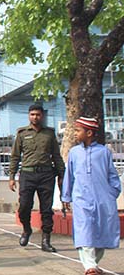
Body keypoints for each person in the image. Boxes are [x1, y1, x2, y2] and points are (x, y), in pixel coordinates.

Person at [61, 117, 121, 275]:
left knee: (101, 233)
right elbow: (69, 176)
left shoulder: (104, 152)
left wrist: (112, 193)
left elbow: (112, 176)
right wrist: (66, 197)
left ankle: (93, 264)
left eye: (78, 130)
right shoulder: (74, 153)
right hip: (81, 200)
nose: (75, 134)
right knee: (84, 232)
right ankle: (89, 267)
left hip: (103, 200)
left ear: (89, 133)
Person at [8, 104, 65, 252]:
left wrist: (61, 175)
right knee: (24, 206)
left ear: (42, 116)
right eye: (32, 114)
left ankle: (46, 240)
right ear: (29, 116)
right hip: (27, 174)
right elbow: (15, 156)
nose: (35, 117)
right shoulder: (22, 134)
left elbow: (56, 156)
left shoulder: (49, 134)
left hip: (46, 174)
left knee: (46, 209)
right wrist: (11, 176)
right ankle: (27, 229)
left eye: (38, 114)